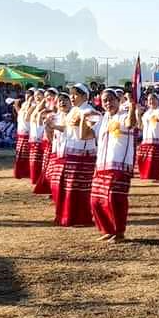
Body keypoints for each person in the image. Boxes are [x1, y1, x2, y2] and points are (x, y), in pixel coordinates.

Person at [89, 90, 138, 243]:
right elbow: (87, 135)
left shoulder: (123, 115)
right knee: (96, 200)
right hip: (102, 165)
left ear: (118, 100)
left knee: (114, 198)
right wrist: (84, 120)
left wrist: (131, 107)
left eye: (111, 100)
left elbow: (131, 124)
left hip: (119, 164)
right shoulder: (103, 118)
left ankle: (119, 233)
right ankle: (108, 230)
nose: (108, 103)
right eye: (105, 101)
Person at [53, 84, 98, 227]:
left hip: (83, 155)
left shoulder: (89, 111)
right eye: (71, 94)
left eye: (75, 94)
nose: (72, 97)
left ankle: (81, 217)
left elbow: (92, 130)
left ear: (85, 96)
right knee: (68, 187)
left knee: (79, 187)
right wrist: (53, 126)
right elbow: (68, 129)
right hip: (70, 152)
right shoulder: (74, 111)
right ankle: (67, 216)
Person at [44, 92, 72, 203]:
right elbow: (51, 137)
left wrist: (54, 126)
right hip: (57, 150)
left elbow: (68, 129)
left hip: (69, 150)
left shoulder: (73, 115)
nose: (62, 102)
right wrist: (48, 127)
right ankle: (57, 195)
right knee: (53, 176)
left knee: (67, 178)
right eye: (60, 100)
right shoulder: (55, 117)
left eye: (65, 100)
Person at [137, 93, 159, 181]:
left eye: (153, 99)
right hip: (146, 139)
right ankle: (146, 175)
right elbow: (140, 126)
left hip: (157, 139)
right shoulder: (146, 113)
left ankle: (155, 176)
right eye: (149, 99)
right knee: (142, 158)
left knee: (156, 160)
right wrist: (138, 114)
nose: (151, 101)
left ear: (158, 101)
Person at [28, 92, 52, 195]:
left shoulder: (49, 109)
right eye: (36, 95)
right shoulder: (38, 108)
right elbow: (28, 118)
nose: (38, 97)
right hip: (40, 136)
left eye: (40, 95)